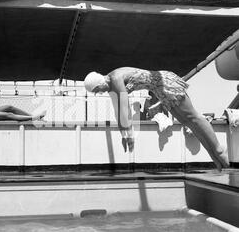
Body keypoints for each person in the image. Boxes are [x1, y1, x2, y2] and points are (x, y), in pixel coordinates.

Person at [84, 67, 229, 171]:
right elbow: (118, 111)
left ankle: (219, 150)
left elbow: (124, 108)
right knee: (187, 122)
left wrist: (128, 133)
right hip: (158, 90)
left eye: (97, 90)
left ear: (100, 82)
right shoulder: (111, 85)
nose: (98, 93)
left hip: (164, 82)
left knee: (193, 117)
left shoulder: (115, 79)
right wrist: (124, 133)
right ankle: (215, 157)